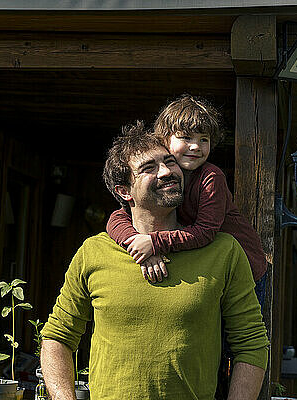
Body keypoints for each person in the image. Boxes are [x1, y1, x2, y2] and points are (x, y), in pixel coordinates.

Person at [40, 123, 269, 400]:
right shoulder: (94, 252)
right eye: (149, 168)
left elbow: (252, 344)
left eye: (170, 162)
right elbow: (57, 338)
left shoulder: (224, 251)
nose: (167, 172)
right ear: (125, 191)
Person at [106, 95, 268, 309]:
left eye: (204, 139)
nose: (196, 147)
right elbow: (117, 218)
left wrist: (154, 243)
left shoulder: (211, 177)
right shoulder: (167, 178)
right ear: (164, 139)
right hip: (207, 268)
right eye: (186, 138)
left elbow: (206, 231)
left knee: (235, 335)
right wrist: (137, 244)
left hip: (246, 270)